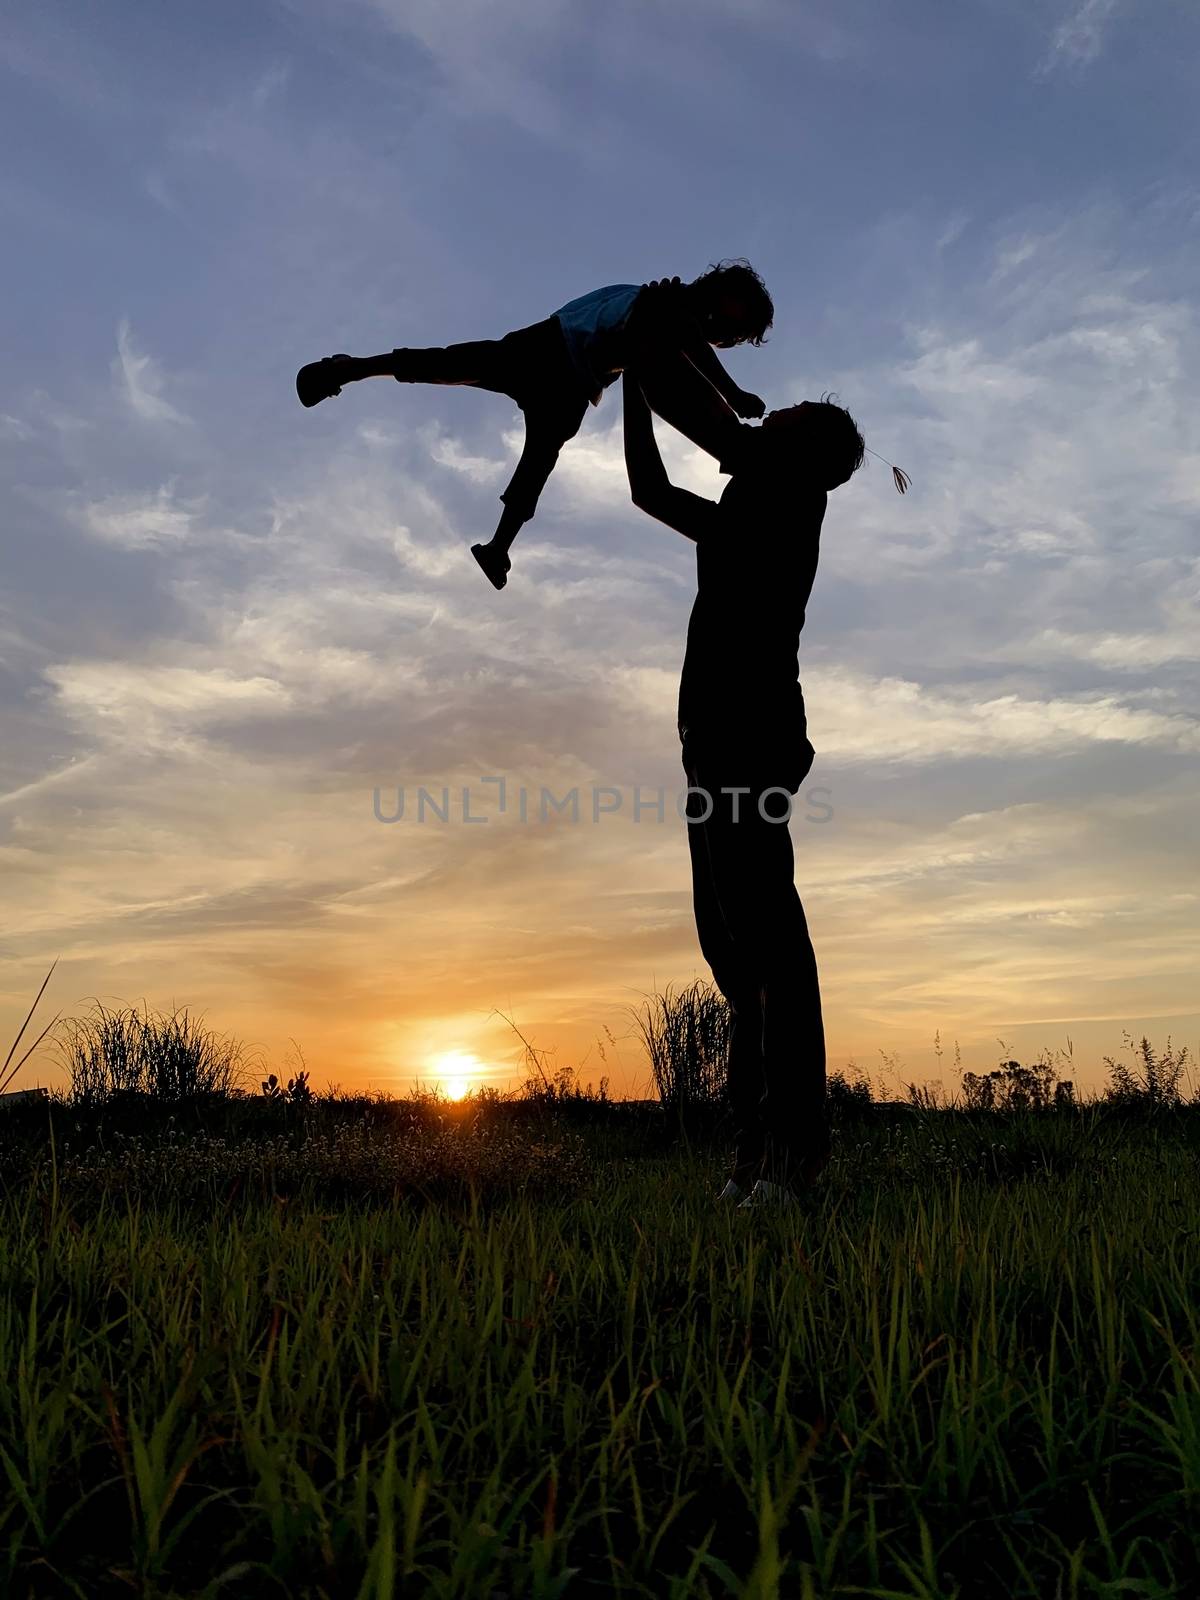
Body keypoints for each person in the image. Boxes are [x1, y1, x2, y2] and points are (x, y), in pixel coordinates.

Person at [621, 344, 866, 1211]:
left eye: (789, 418)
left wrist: (638, 372)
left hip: (749, 741)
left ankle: (794, 1160)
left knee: (768, 949)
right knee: (735, 957)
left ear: (806, 454)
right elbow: (656, 492)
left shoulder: (788, 499)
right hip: (717, 743)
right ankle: (754, 1153)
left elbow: (673, 480)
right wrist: (634, 387)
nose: (771, 418)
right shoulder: (760, 496)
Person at [295, 262, 772, 589]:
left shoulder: (670, 317)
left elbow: (675, 355)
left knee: (539, 460)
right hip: (550, 349)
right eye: (732, 328)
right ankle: (348, 368)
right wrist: (733, 394)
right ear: (723, 294)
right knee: (453, 363)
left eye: (732, 337)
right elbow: (687, 342)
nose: (724, 338)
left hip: (577, 382)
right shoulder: (670, 305)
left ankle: (499, 547)